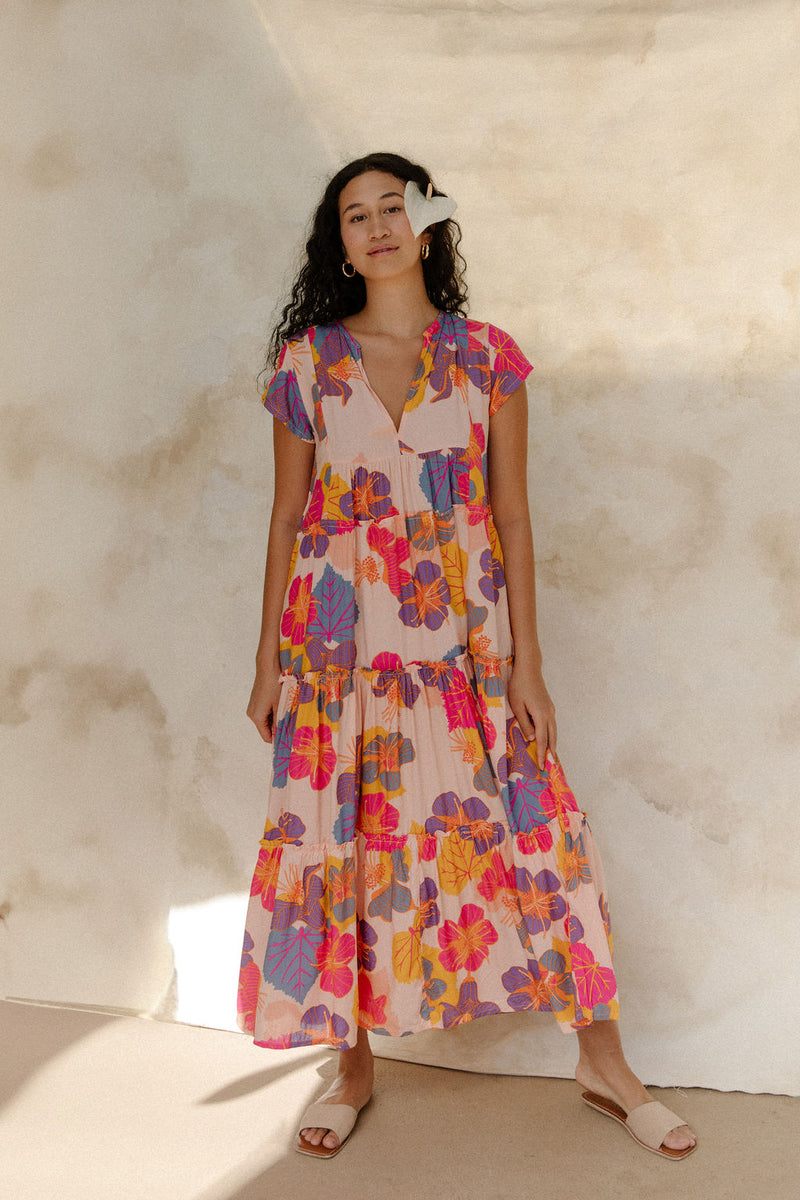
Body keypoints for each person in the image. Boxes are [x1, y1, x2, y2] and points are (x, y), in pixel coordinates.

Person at [238, 152, 697, 1161]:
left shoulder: (488, 357)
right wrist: (267, 661)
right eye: (353, 214)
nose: (375, 226)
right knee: (342, 845)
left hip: (465, 648)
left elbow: (513, 515)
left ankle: (602, 1063)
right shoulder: (307, 365)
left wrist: (525, 664)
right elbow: (284, 519)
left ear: (429, 221)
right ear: (339, 241)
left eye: (392, 206)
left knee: (535, 835)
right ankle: (350, 1063)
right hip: (337, 653)